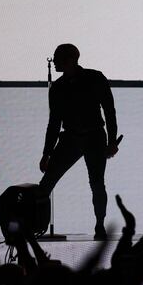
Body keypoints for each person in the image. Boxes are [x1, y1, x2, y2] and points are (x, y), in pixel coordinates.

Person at [38, 44, 120, 240]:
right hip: (88, 137)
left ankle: (99, 224)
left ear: (70, 59)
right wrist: (46, 153)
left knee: (92, 183)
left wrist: (47, 154)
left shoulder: (63, 86)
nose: (54, 62)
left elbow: (109, 111)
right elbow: (109, 111)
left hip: (81, 137)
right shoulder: (90, 79)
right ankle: (99, 226)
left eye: (58, 58)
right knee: (95, 183)